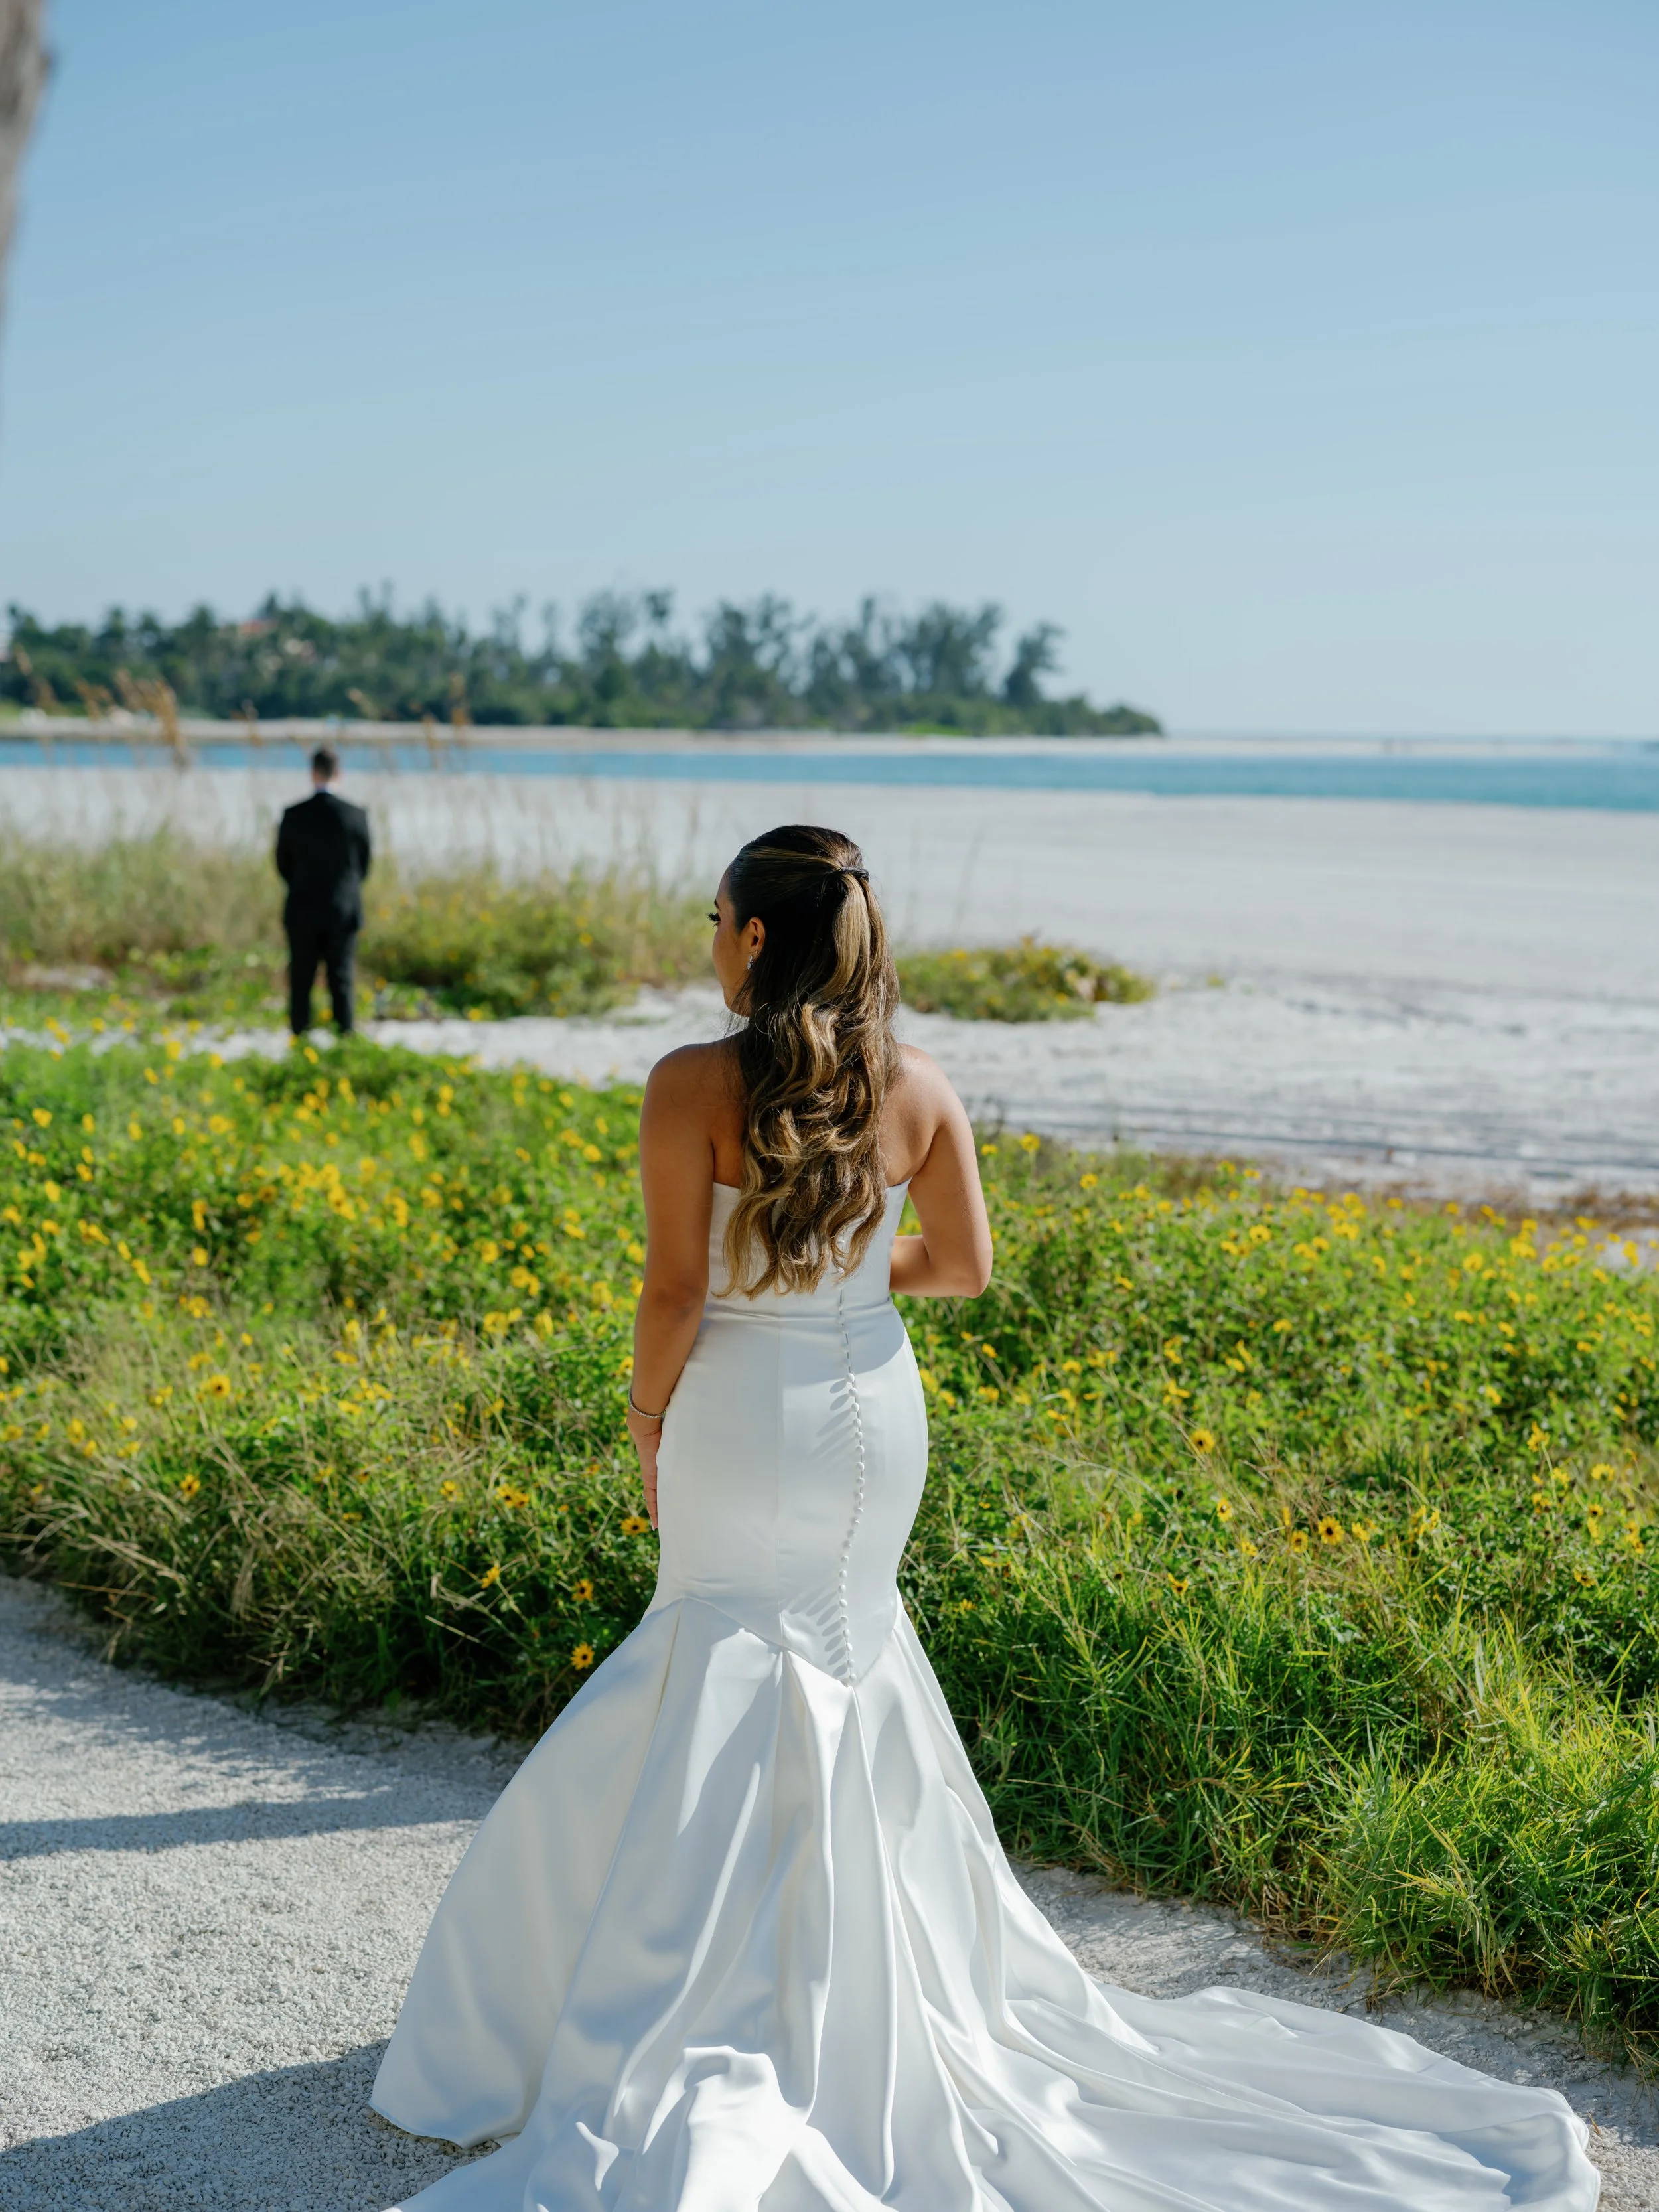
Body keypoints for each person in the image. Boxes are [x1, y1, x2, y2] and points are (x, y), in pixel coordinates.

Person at [370, 826, 1595, 2212]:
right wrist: (831, 1247)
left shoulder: (687, 1083)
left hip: (738, 1410)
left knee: (720, 1654)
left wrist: (646, 1414)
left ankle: (698, 1987)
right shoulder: (920, 1087)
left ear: (758, 937)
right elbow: (959, 1263)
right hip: (872, 1415)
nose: (707, 939)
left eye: (716, 916)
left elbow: (671, 1292)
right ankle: (849, 1972)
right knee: (843, 1648)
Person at [275, 743, 372, 1037]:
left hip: (302, 906)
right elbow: (364, 865)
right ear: (338, 773)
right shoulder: (355, 815)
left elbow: (282, 864)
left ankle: (300, 1038)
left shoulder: (293, 814)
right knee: (341, 977)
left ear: (312, 773)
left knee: (301, 978)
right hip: (342, 909)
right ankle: (346, 1037)